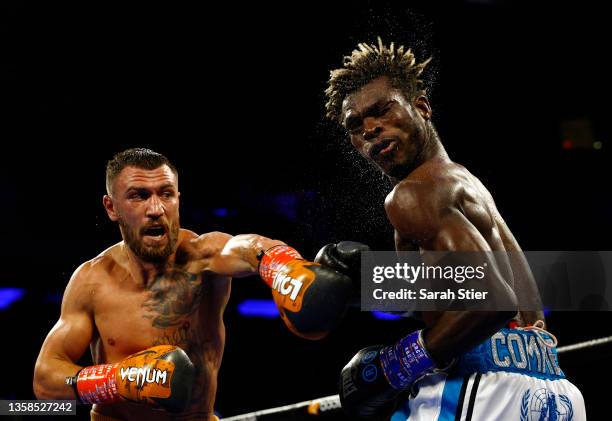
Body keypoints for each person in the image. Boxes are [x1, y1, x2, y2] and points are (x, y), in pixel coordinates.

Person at [322, 38, 586, 420]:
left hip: (481, 386)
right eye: (357, 127)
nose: (371, 129)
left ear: (422, 107)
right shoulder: (464, 184)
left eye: (381, 111)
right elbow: (459, 292)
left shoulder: (411, 194)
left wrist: (397, 365)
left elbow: (493, 301)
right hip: (553, 388)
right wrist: (368, 285)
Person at [33, 148, 354, 421]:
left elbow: (245, 247)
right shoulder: (91, 280)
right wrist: (120, 379)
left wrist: (282, 265)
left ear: (178, 199)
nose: (156, 209)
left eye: (166, 194)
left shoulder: (203, 257)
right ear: (111, 207)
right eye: (139, 196)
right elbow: (46, 379)